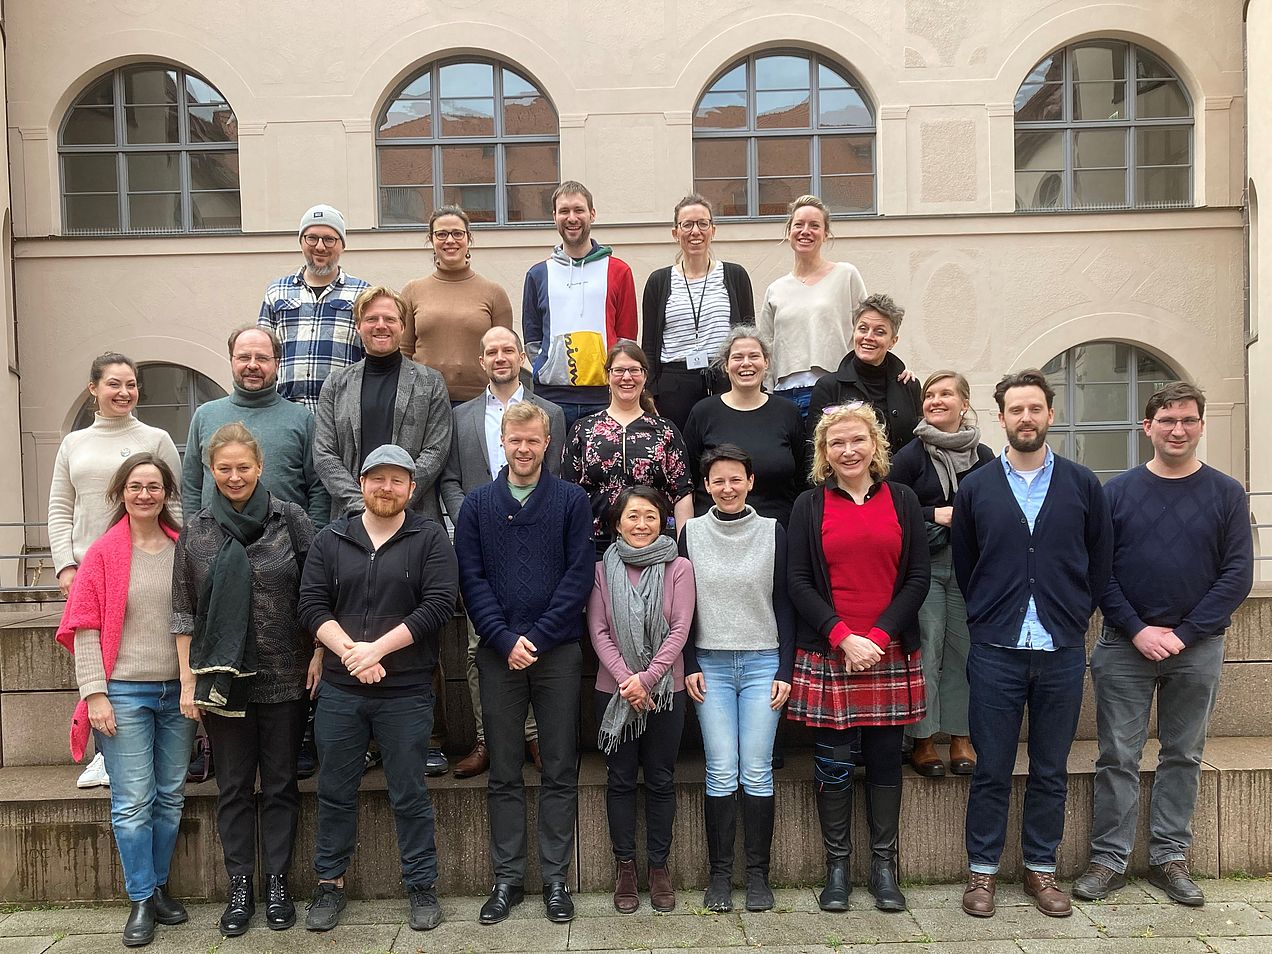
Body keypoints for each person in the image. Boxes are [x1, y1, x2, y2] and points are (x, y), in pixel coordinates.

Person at [1073, 383, 1253, 908]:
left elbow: (1237, 575)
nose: (1178, 429)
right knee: (1117, 756)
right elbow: (1099, 570)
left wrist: (1184, 633)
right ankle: (1109, 861)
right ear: (1146, 427)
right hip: (1124, 645)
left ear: (1201, 426)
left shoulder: (1226, 494)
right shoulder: (1117, 494)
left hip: (1196, 648)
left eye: (1189, 420)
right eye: (1167, 420)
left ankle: (1170, 857)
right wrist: (1137, 629)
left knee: (1183, 755)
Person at [951, 369, 1113, 920]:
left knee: (1050, 768)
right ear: (1001, 417)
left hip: (1061, 648)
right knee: (991, 766)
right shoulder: (976, 488)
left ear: (1049, 414)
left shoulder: (1082, 483)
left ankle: (1041, 868)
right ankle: (983, 872)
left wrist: (1073, 612)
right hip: (996, 649)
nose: (1025, 418)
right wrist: (987, 614)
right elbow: (967, 562)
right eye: (1015, 410)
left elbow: (1100, 560)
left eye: (1035, 409)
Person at [297, 444, 460, 934]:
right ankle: (329, 885)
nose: (385, 488)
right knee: (334, 790)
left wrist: (377, 651)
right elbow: (310, 605)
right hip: (343, 691)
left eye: (396, 480)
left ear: (412, 489)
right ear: (361, 484)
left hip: (406, 691)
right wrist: (352, 653)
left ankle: (422, 886)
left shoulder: (430, 538)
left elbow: (437, 606)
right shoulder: (331, 539)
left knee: (409, 791)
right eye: (377, 479)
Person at [172, 422, 318, 937]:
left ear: (260, 467)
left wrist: (319, 651)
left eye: (244, 467)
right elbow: (183, 611)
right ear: (211, 471)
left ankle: (276, 883)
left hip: (284, 675)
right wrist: (188, 683)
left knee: (280, 784)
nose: (235, 477)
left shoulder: (291, 519)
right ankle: (240, 886)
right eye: (224, 468)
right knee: (233, 787)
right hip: (221, 681)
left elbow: (316, 593)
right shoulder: (198, 529)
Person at [454, 402, 594, 925]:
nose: (525, 449)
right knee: (504, 771)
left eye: (534, 440)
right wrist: (503, 638)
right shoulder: (477, 505)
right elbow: (472, 580)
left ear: (548, 441)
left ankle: (556, 879)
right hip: (497, 654)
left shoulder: (571, 501)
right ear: (503, 443)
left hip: (556, 652)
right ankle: (507, 879)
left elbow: (578, 576)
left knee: (559, 766)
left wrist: (534, 637)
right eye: (516, 440)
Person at [786, 404, 929, 914]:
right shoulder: (809, 505)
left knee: (888, 760)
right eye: (836, 443)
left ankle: (885, 869)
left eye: (857, 441)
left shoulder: (904, 500)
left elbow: (917, 578)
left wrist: (881, 635)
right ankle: (838, 869)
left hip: (888, 652)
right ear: (824, 452)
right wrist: (845, 637)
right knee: (835, 761)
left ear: (875, 445)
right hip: (833, 652)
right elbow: (798, 582)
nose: (848, 451)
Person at [313, 284, 453, 775]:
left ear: (402, 326)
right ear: (359, 325)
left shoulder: (428, 382)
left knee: (417, 620)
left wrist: (398, 498)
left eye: (390, 319)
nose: (381, 326)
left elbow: (436, 449)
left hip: (414, 520)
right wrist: (365, 501)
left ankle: (427, 735)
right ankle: (360, 734)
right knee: (352, 614)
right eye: (371, 318)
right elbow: (325, 452)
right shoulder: (337, 383)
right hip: (350, 521)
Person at [56, 453, 192, 948]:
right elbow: (85, 627)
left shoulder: (184, 548)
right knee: (133, 800)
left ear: (166, 493)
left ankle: (157, 889)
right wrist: (95, 695)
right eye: (135, 486)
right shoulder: (102, 554)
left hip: (178, 690)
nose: (144, 494)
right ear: (120, 492)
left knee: (171, 796)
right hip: (125, 692)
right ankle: (140, 898)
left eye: (154, 486)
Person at [441, 326, 566, 779]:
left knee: (532, 638)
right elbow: (450, 479)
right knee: (481, 647)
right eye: (491, 351)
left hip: (537, 548)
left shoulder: (550, 412)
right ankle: (486, 738)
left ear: (521, 356)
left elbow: (556, 478)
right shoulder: (461, 416)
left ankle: (531, 737)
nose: (500, 357)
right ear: (481, 361)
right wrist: (478, 519)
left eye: (508, 349)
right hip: (483, 546)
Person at [681, 444, 794, 913]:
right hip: (710, 664)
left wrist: (785, 669)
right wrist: (688, 662)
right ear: (706, 487)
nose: (727, 488)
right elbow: (681, 606)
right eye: (717, 481)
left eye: (735, 479)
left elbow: (786, 601)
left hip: (763, 662)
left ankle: (758, 877)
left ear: (751, 482)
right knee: (721, 768)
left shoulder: (773, 531)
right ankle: (721, 877)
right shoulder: (690, 533)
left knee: (757, 768)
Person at [587, 486, 695, 914]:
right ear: (617, 523)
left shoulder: (680, 567)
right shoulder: (601, 569)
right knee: (620, 779)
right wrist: (626, 680)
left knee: (661, 778)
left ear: (663, 520)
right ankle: (626, 867)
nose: (641, 524)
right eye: (633, 516)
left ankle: (659, 867)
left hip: (666, 690)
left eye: (651, 516)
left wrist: (646, 680)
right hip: (611, 689)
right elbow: (598, 630)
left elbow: (680, 630)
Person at [888, 371, 994, 778]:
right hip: (925, 565)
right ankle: (924, 739)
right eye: (929, 394)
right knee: (927, 649)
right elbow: (890, 507)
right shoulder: (910, 455)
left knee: (963, 650)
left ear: (964, 404)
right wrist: (934, 513)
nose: (935, 400)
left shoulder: (983, 456)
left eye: (945, 394)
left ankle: (961, 736)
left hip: (970, 565)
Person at [49, 353, 182, 599]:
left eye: (131, 385)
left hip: (144, 567)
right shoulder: (73, 443)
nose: (124, 392)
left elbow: (173, 505)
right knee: (89, 637)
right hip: (85, 566)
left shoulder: (157, 440)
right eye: (114, 384)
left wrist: (174, 558)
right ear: (93, 388)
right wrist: (65, 565)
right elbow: (60, 508)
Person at [183, 325, 329, 528]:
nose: (252, 365)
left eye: (262, 358)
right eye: (244, 357)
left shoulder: (302, 419)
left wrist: (313, 538)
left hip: (285, 547)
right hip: (214, 541)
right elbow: (191, 485)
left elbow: (318, 488)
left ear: (277, 364)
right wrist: (193, 533)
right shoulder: (205, 415)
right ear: (232, 361)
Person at [523, 181, 638, 430]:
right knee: (554, 469)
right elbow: (532, 339)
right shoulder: (538, 274)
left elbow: (627, 337)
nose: (572, 218)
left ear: (592, 214)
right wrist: (548, 367)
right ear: (554, 217)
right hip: (551, 398)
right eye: (564, 211)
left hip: (605, 397)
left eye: (579, 210)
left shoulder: (619, 271)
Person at [562, 342, 693, 554]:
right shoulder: (583, 429)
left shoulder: (665, 430)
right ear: (607, 375)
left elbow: (682, 492)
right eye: (619, 370)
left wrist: (684, 548)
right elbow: (568, 491)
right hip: (596, 545)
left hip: (654, 544)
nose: (626, 377)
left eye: (634, 370)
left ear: (645, 376)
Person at [640, 194, 755, 431]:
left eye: (703, 224)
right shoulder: (659, 281)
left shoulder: (735, 276)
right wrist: (650, 392)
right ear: (675, 232)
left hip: (724, 380)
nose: (696, 231)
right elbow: (649, 345)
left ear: (713, 230)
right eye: (687, 225)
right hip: (674, 385)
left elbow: (748, 337)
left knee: (724, 453)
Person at [756, 195, 867, 417]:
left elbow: (869, 330)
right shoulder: (775, 289)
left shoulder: (846, 275)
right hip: (783, 397)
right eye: (799, 224)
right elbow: (765, 347)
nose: (805, 231)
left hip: (832, 392)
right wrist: (765, 394)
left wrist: (893, 371)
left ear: (825, 234)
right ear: (789, 232)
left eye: (814, 225)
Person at [682, 327, 805, 526]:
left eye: (754, 356)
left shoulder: (788, 412)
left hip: (779, 530)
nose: (746, 363)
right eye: (738, 357)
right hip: (716, 531)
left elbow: (802, 478)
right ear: (726, 365)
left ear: (766, 362)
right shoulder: (703, 412)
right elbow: (688, 481)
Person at [258, 204, 370, 412]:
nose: (320, 246)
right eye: (312, 238)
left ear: (342, 245)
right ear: (301, 241)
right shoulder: (276, 292)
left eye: (329, 239)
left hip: (342, 412)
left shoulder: (362, 293)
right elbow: (263, 352)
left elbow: (371, 356)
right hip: (286, 412)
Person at [400, 205, 515, 403]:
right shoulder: (412, 291)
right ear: (431, 239)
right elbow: (404, 352)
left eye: (457, 233)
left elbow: (503, 353)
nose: (450, 240)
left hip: (479, 402)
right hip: (424, 401)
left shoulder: (494, 293)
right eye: (442, 234)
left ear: (469, 239)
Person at [808, 294, 922, 452]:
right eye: (863, 329)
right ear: (854, 332)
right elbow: (815, 450)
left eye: (879, 332)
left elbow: (920, 444)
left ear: (893, 341)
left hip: (902, 477)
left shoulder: (909, 385)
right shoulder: (828, 387)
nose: (869, 337)